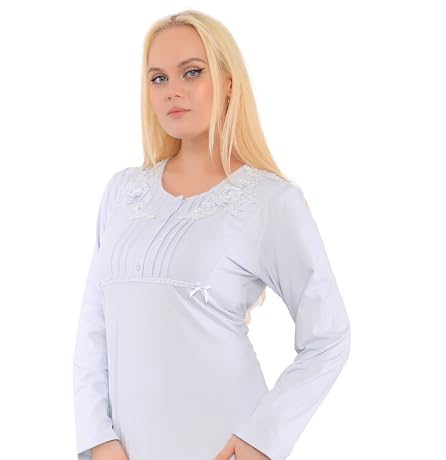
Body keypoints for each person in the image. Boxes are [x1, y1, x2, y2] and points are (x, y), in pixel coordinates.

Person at [72, 9, 351, 460]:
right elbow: (93, 328)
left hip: (223, 445)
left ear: (228, 83)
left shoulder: (270, 200)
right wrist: (97, 437)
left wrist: (263, 437)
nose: (173, 90)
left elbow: (329, 335)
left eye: (192, 72)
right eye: (158, 78)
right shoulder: (123, 192)